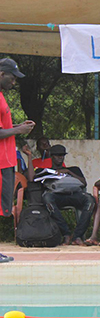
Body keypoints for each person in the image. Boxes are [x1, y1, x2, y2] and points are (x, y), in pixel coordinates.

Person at [0, 58, 35, 262]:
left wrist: (16, 127)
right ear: (2, 74)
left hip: (6, 161)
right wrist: (19, 130)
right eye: (12, 78)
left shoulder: (2, 96)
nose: (14, 83)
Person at [39, 144, 95, 246]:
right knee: (47, 198)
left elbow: (84, 183)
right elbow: (33, 179)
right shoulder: (48, 171)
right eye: (57, 155)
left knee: (90, 200)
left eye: (62, 155)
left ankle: (77, 236)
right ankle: (66, 234)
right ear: (51, 156)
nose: (60, 157)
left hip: (74, 195)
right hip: (57, 197)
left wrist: (68, 171)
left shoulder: (74, 169)